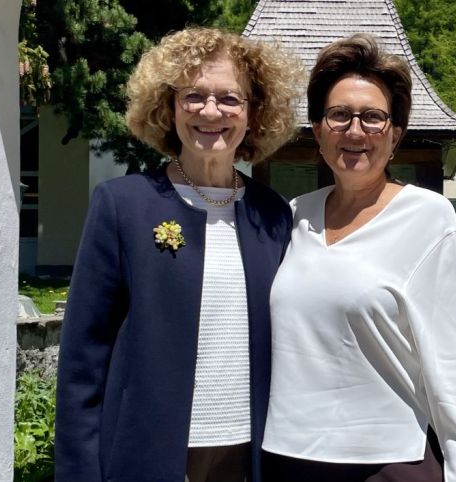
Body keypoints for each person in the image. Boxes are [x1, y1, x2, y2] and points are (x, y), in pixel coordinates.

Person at [55, 27, 302, 482]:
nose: (211, 111)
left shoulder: (273, 215)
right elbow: (82, 360)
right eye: (193, 96)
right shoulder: (123, 204)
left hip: (249, 454)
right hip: (146, 451)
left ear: (253, 113)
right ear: (169, 107)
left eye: (230, 99)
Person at [262, 34, 456, 481]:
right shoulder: (294, 217)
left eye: (373, 117)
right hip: (287, 459)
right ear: (317, 131)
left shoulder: (429, 219)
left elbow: (452, 366)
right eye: (339, 115)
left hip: (387, 464)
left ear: (395, 135)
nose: (355, 131)